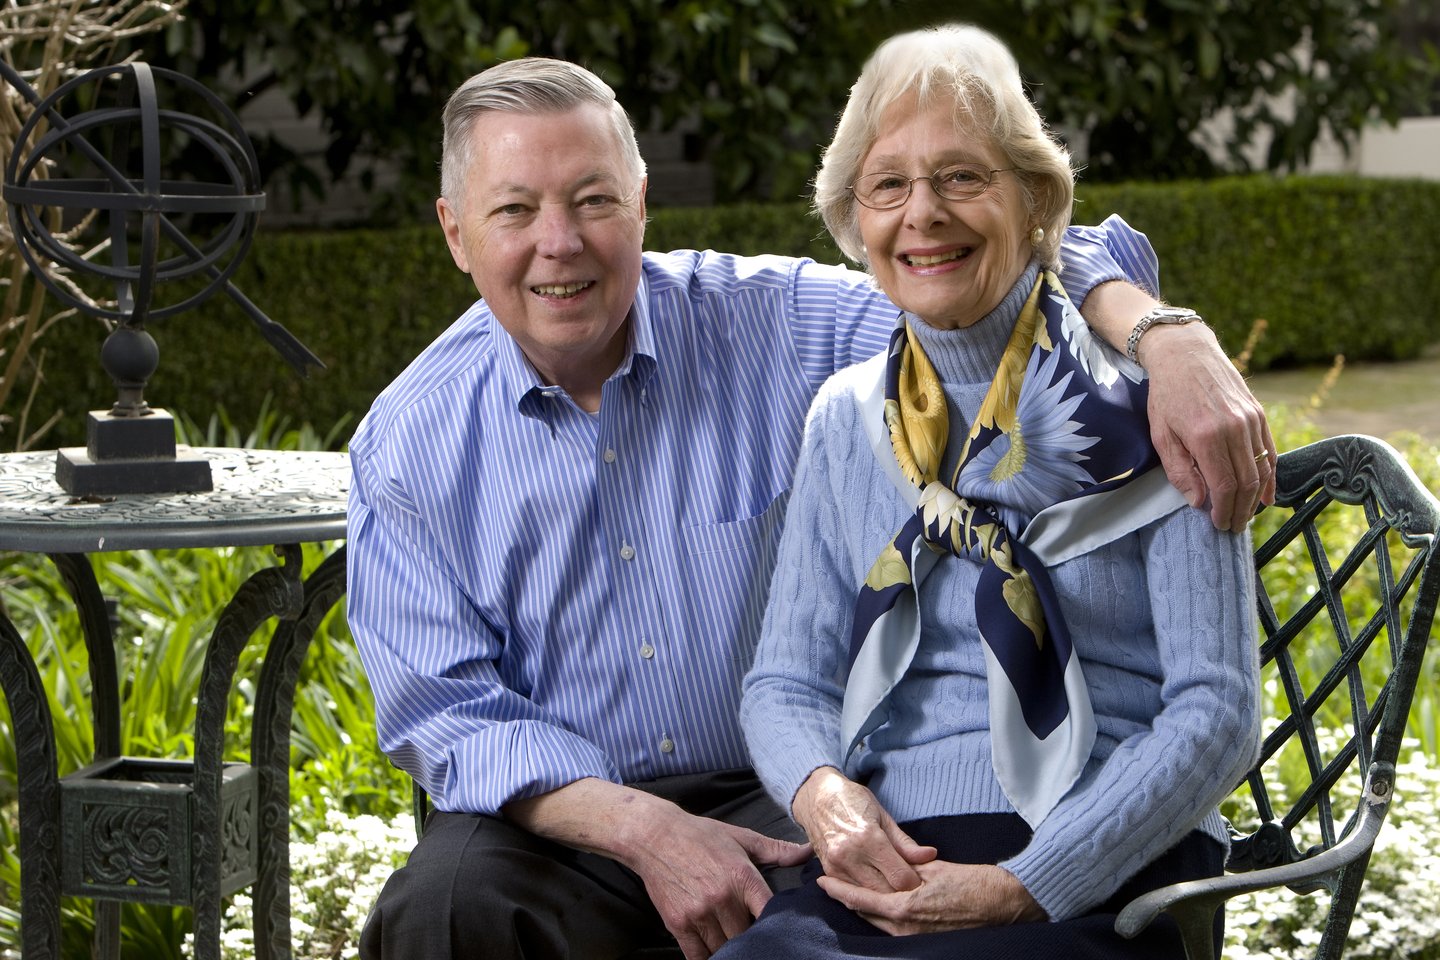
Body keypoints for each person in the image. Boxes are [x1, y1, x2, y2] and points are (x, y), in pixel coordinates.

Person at [345, 54, 1271, 960]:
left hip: (784, 797)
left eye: (593, 200)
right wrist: (646, 828)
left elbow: (965, 255)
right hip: (571, 821)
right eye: (514, 210)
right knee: (446, 903)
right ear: (456, 231)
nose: (561, 241)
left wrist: (1164, 335)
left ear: (639, 201)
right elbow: (447, 712)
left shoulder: (777, 325)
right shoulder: (410, 440)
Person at [716, 23, 1262, 960]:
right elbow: (783, 681)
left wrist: (1029, 885)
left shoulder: (1152, 402)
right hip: (893, 855)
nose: (922, 214)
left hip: (1103, 856)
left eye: (963, 177)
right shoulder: (846, 418)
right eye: (889, 186)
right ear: (857, 220)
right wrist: (824, 794)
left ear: (1038, 200)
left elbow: (1216, 714)